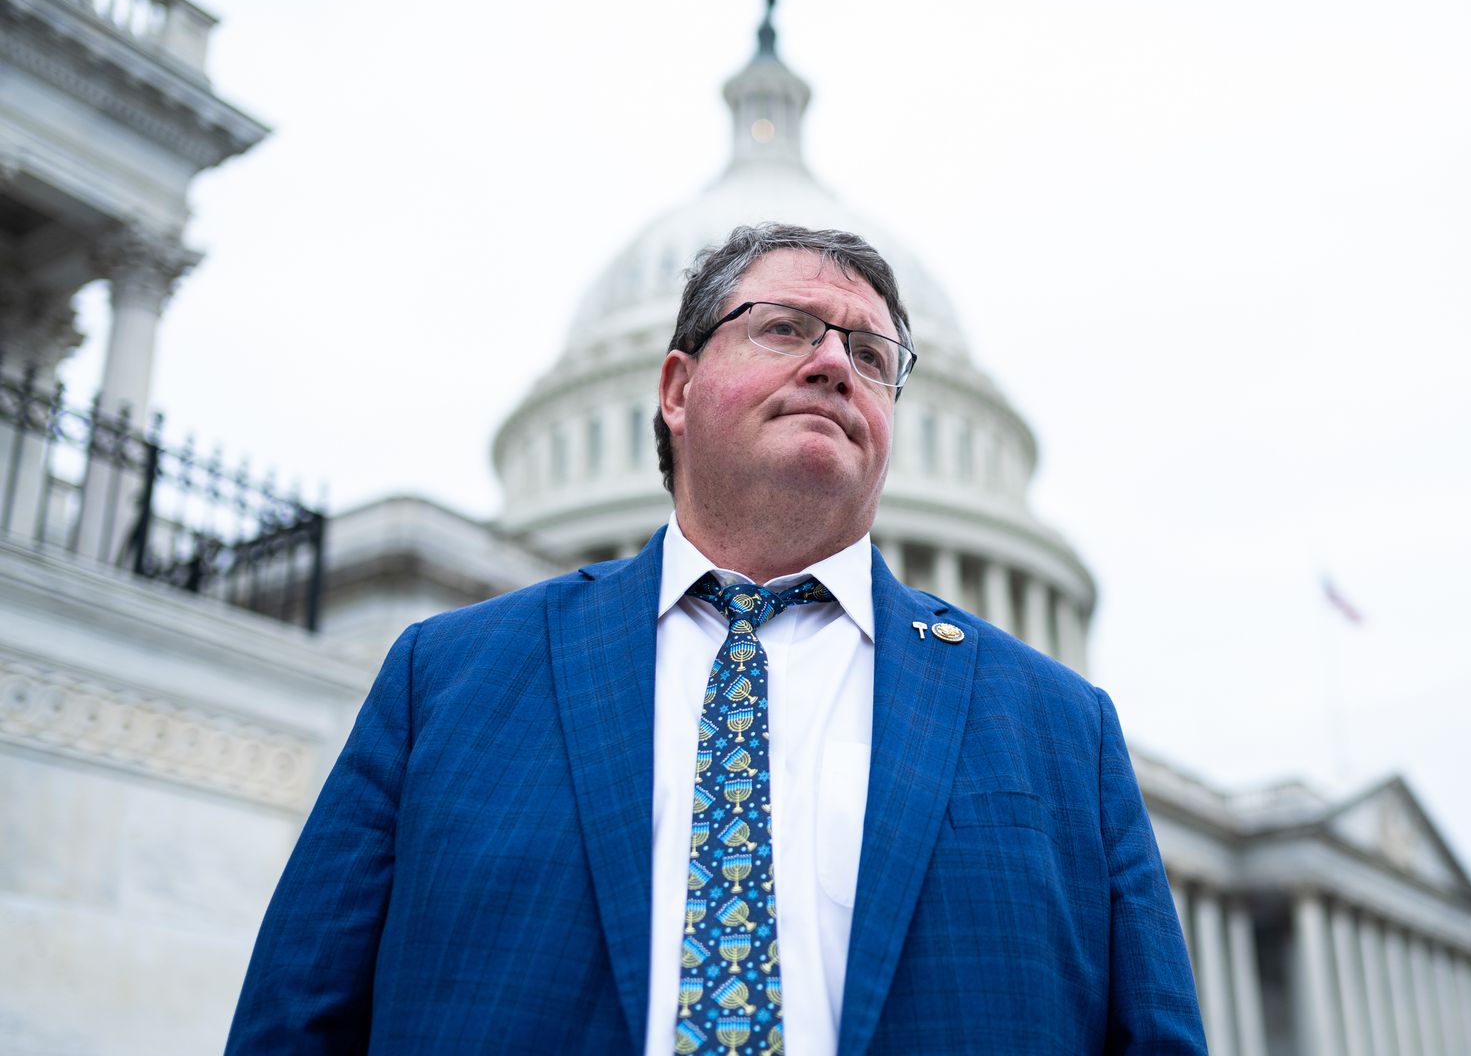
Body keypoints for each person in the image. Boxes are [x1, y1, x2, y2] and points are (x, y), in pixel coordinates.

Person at [226, 223, 1203, 1054]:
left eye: (871, 357)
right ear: (677, 388)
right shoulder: (445, 683)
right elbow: (295, 1018)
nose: (834, 362)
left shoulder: (1061, 729)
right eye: (785, 330)